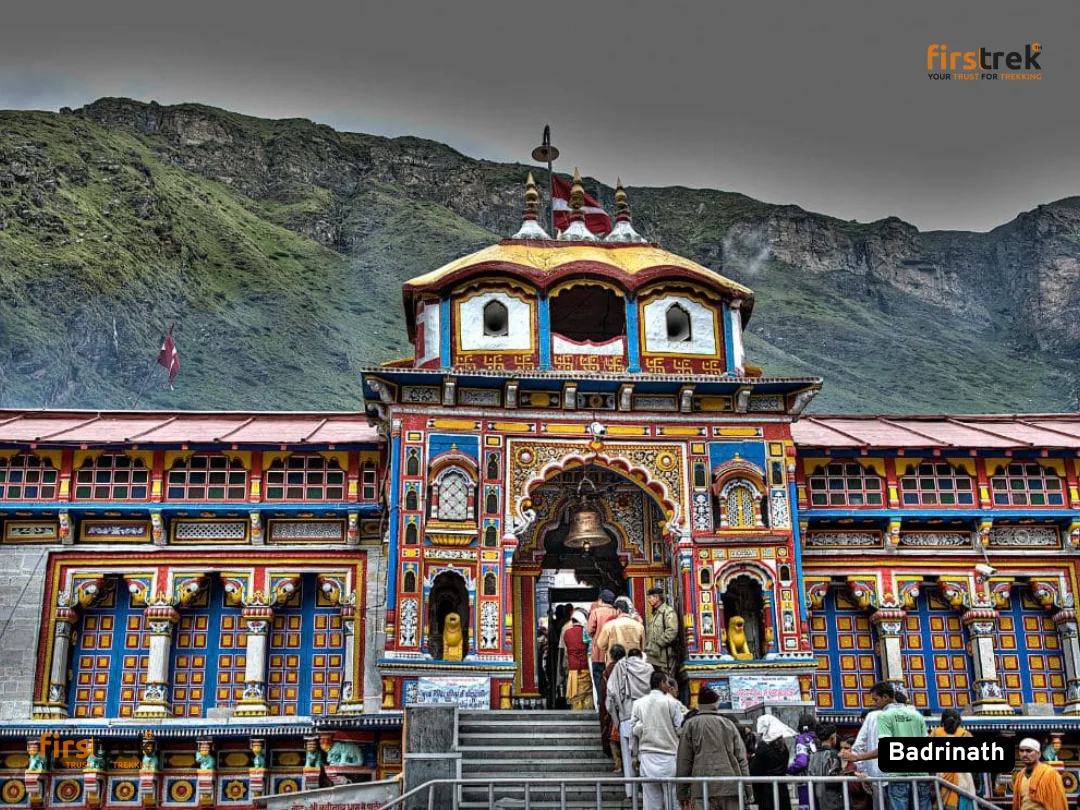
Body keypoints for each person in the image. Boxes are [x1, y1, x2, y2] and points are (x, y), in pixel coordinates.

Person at [676, 686, 751, 810]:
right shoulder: (729, 724)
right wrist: (748, 789)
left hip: (702, 789)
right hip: (731, 788)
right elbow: (741, 759)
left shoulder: (691, 725)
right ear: (716, 704)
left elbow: (684, 761)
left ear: (699, 705)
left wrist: (682, 793)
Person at [631, 669, 685, 810]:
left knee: (651, 802)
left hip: (647, 757)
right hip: (669, 757)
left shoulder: (638, 704)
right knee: (672, 800)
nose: (668, 685)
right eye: (667, 682)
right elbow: (680, 728)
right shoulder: (672, 703)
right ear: (661, 683)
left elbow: (633, 732)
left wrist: (634, 755)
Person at [607, 647, 655, 797]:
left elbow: (611, 695)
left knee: (628, 756)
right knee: (646, 753)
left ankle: (631, 792)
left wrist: (617, 718)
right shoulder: (649, 668)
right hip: (647, 718)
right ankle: (647, 791)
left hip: (626, 716)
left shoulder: (621, 667)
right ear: (641, 656)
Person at [875, 684, 930, 810]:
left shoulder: (884, 716)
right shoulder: (917, 716)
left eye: (875, 699)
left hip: (898, 776)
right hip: (921, 776)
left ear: (885, 697)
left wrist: (859, 757)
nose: (875, 704)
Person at [930, 709, 975, 810]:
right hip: (963, 781)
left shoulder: (935, 733)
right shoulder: (965, 734)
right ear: (958, 720)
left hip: (940, 779)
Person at [750, 716, 796, 810]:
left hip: (766, 792)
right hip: (782, 790)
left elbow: (754, 770)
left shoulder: (762, 748)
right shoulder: (784, 749)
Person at [1013, 738, 1066, 810]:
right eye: (1021, 751)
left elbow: (1058, 802)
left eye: (1029, 751)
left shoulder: (1050, 774)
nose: (1024, 754)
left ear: (1039, 754)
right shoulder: (1020, 776)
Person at [559, 608, 595, 711]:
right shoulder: (586, 632)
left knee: (575, 693)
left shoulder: (567, 633)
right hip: (585, 666)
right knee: (587, 693)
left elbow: (566, 650)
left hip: (572, 668)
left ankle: (576, 711)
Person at [599, 644, 627, 770]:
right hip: (628, 707)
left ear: (611, 656)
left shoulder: (608, 670)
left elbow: (605, 692)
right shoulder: (629, 667)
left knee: (614, 738)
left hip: (615, 709)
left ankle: (619, 765)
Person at [597, 596, 645, 663]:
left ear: (618, 610)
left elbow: (601, 645)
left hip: (615, 663)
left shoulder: (609, 625)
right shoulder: (639, 626)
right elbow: (643, 647)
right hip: (634, 664)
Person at [807, 723, 844, 810]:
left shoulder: (813, 756)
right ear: (833, 737)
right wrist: (844, 774)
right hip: (834, 802)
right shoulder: (833, 754)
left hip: (819, 800)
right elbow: (833, 780)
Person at [588, 590, 618, 695]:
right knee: (613, 676)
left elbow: (590, 630)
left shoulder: (595, 612)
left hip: (599, 652)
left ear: (600, 600)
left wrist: (597, 637)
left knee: (598, 676)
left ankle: (602, 701)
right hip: (614, 651)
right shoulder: (616, 611)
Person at [788, 712, 818, 810]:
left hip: (806, 783)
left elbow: (801, 763)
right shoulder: (820, 737)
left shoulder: (802, 739)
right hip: (821, 782)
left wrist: (787, 769)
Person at [645, 586, 679, 674]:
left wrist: (659, 643)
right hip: (653, 657)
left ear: (656, 597)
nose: (649, 600)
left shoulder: (667, 612)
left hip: (665, 658)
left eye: (650, 597)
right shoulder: (655, 614)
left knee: (666, 681)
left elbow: (672, 630)